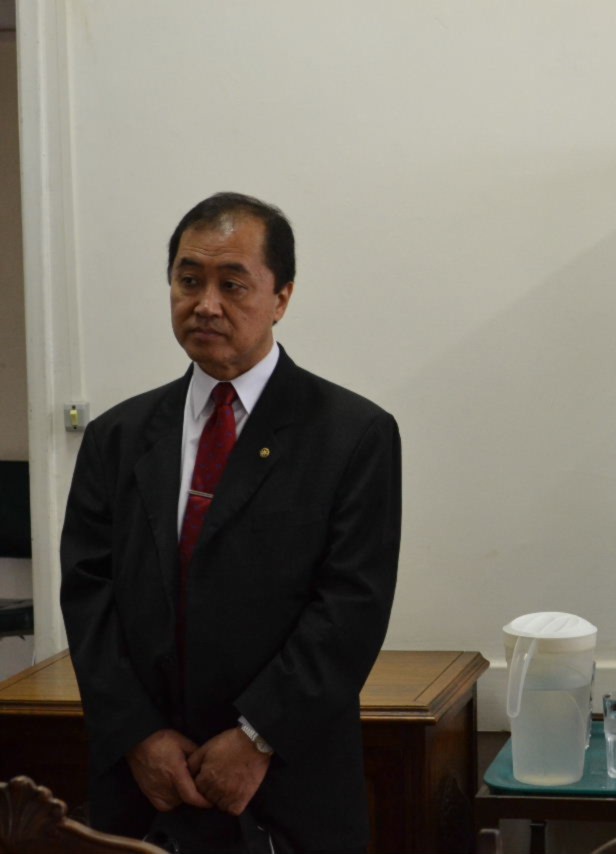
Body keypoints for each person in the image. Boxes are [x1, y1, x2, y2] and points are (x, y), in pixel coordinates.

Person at [60, 192, 401, 853]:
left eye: (232, 285)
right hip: (143, 788)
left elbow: (351, 604)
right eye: (189, 281)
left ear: (281, 297)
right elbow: (88, 593)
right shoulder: (118, 436)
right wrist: (138, 734)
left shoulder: (351, 434)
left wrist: (257, 737)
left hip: (287, 782)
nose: (206, 304)